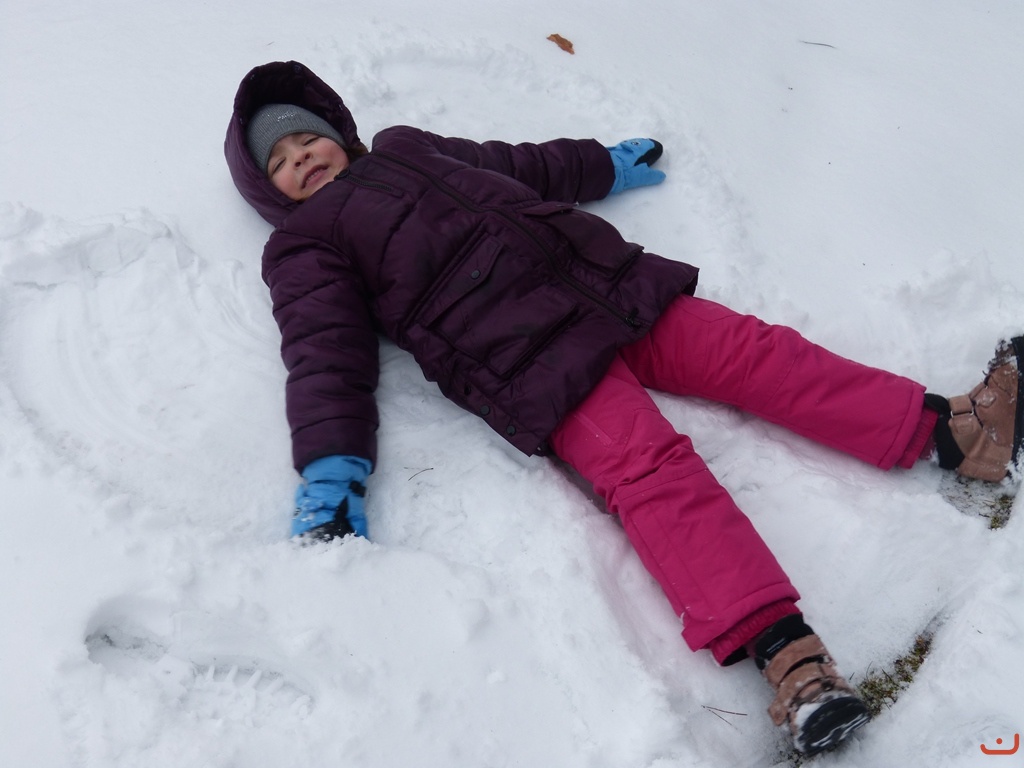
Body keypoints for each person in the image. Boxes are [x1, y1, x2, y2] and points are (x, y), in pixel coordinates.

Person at [224, 60, 1022, 756]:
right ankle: (795, 668)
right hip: (533, 361)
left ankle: (959, 433)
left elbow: (518, 164)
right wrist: (332, 467)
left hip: (611, 291)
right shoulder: (306, 246)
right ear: (268, 190)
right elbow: (324, 353)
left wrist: (599, 165)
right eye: (282, 162)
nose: (303, 159)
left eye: (307, 140)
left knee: (759, 354)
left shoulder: (406, 146)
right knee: (652, 475)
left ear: (339, 131)